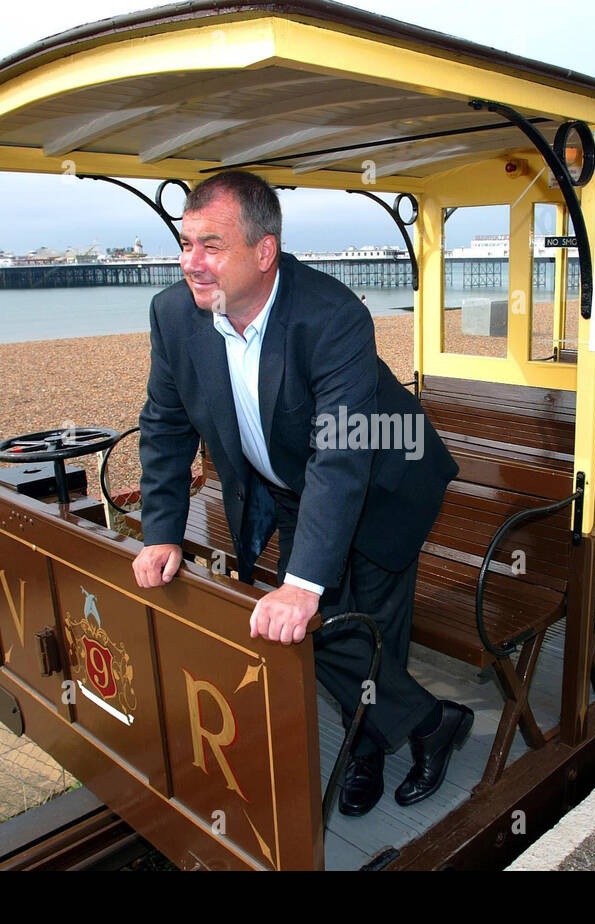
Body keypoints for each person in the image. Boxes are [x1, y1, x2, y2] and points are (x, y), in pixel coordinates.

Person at [131, 171, 470, 815]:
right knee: (319, 633)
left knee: (366, 625)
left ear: (264, 253)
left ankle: (369, 746)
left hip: (383, 484)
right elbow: (165, 426)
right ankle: (429, 723)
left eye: (211, 245)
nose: (191, 264)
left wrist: (303, 583)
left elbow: (342, 456)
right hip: (295, 485)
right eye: (185, 243)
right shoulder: (173, 315)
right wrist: (161, 532)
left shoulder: (332, 315)